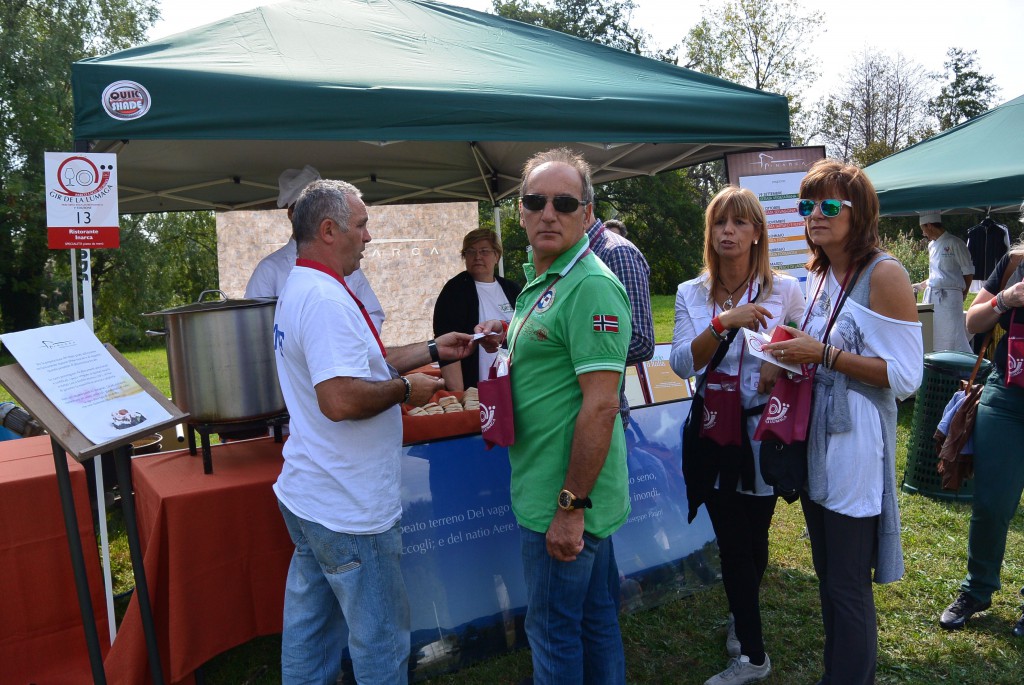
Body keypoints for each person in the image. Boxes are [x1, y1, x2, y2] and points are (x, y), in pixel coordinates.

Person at [272, 178, 500, 684]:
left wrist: (436, 350)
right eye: (362, 224)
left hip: (312, 493)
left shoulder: (306, 285)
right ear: (329, 230)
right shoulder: (327, 300)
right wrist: (404, 390)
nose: (369, 236)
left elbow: (365, 363)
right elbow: (340, 398)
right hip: (349, 505)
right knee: (379, 639)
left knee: (311, 634)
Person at [763, 160, 923, 685]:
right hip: (816, 438)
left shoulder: (885, 274)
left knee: (848, 583)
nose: (815, 216)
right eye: (807, 206)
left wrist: (824, 355)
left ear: (860, 213)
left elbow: (904, 378)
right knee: (828, 577)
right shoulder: (817, 273)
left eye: (829, 206)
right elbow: (815, 345)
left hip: (855, 444)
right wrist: (785, 353)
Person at [670, 186, 805, 685]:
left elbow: (809, 343)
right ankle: (752, 654)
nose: (728, 231)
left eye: (739, 223)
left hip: (764, 431)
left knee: (756, 537)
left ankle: (739, 611)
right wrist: (725, 320)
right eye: (719, 223)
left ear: (756, 234)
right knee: (731, 540)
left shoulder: (786, 288)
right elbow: (683, 362)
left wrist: (778, 358)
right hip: (713, 430)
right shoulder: (691, 291)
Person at [507, 148, 632, 684]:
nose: (548, 213)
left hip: (566, 496)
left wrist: (570, 507)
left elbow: (602, 405)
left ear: (587, 214)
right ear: (520, 211)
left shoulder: (590, 285)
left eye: (564, 202)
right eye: (536, 201)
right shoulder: (544, 279)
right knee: (595, 619)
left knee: (554, 631)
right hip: (548, 485)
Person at [939, 222, 1024, 636]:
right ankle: (977, 589)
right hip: (1006, 397)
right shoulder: (1013, 262)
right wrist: (1005, 299)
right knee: (991, 503)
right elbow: (972, 322)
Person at [246, 165, 385, 333]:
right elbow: (256, 329)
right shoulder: (269, 270)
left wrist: (353, 339)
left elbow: (373, 314)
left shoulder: (347, 264)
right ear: (291, 214)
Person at [432, 228, 522, 391]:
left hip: (515, 384)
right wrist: (460, 395)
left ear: (497, 256)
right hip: (477, 388)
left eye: (484, 251)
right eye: (471, 251)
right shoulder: (455, 290)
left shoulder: (512, 289)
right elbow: (447, 345)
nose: (477, 257)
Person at [586, 215, 655, 423]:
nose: (549, 215)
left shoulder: (617, 253)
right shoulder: (568, 255)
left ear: (586, 207)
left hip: (602, 417)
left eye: (562, 203)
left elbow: (640, 341)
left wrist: (573, 358)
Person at [913, 212, 973, 353]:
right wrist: (920, 286)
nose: (924, 234)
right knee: (933, 332)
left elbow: (968, 271)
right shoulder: (931, 246)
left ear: (929, 225)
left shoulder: (955, 243)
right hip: (933, 295)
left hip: (951, 297)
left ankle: (959, 363)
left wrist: (964, 294)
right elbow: (936, 275)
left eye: (923, 230)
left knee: (953, 333)